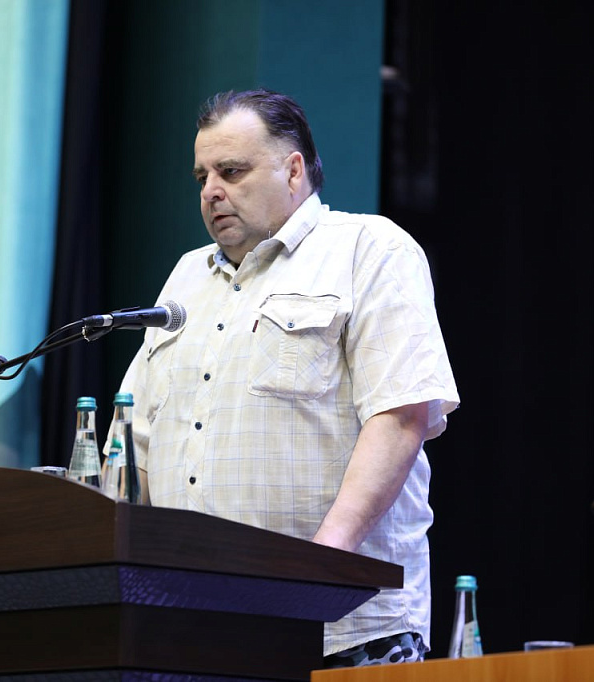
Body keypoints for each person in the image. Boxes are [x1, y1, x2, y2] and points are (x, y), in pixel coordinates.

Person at [114, 89, 460, 666]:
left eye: (231, 171)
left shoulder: (370, 248)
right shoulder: (185, 278)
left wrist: (321, 569)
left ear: (293, 170)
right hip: (191, 630)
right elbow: (134, 442)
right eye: (202, 176)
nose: (211, 191)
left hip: (342, 627)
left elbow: (401, 416)